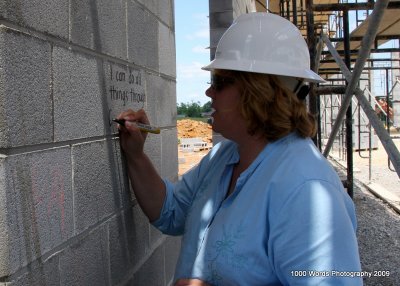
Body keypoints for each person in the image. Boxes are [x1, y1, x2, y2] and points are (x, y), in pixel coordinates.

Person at [117, 12, 362, 286]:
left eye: (220, 82)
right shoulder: (224, 156)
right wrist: (135, 155)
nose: (209, 92)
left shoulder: (305, 189)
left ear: (259, 92)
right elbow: (170, 212)